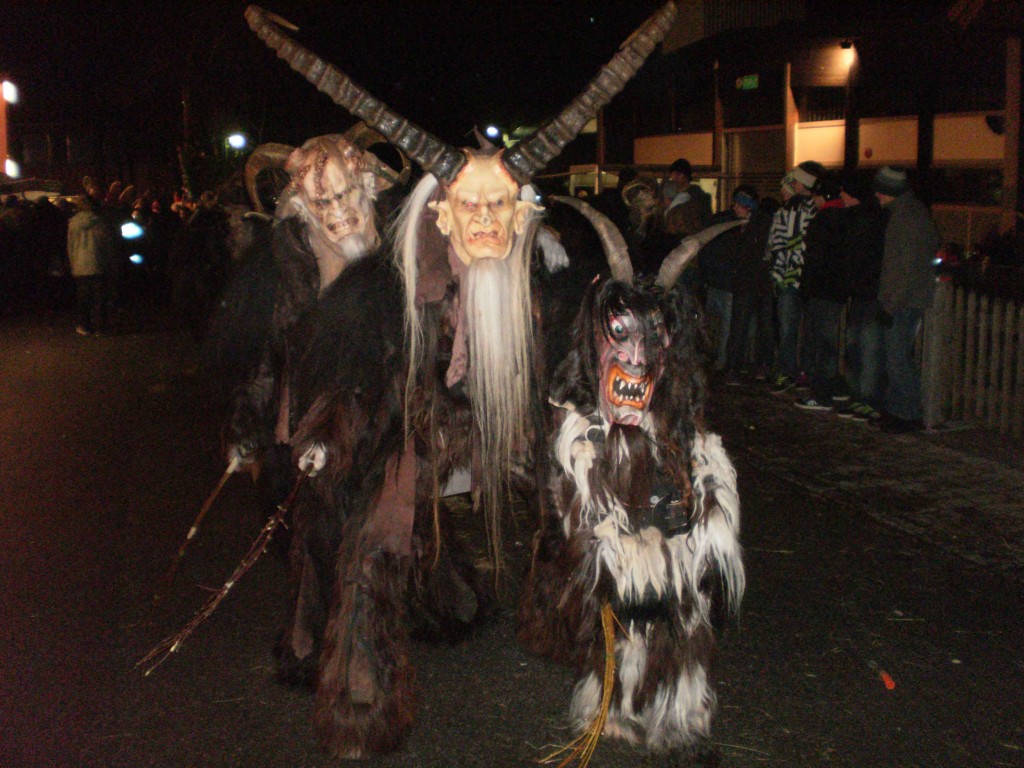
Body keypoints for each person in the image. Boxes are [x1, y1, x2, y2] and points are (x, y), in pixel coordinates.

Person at [874, 165, 941, 432]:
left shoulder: (906, 216)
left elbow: (906, 266)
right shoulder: (907, 213)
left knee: (897, 357)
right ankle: (897, 410)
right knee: (896, 356)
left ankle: (908, 413)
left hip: (904, 301)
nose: (876, 195)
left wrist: (890, 303)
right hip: (904, 298)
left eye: (880, 190)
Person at [793, 174, 849, 411]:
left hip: (820, 291)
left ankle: (821, 394)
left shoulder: (823, 220)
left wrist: (806, 289)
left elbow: (813, 260)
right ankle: (831, 389)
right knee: (828, 343)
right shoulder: (845, 218)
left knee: (820, 344)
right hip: (835, 291)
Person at [767, 160, 824, 394]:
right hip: (790, 278)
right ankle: (788, 370)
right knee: (788, 327)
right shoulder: (785, 211)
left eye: (795, 180)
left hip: (805, 278)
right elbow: (775, 243)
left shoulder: (814, 209)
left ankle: (803, 372)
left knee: (805, 329)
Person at [837, 172, 886, 423]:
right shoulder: (855, 218)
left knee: (868, 348)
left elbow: (864, 259)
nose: (841, 196)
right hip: (857, 293)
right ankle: (857, 395)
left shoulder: (870, 219)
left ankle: (868, 399)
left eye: (845, 191)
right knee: (855, 346)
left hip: (870, 294)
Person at [723, 186, 776, 385]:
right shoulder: (735, 224)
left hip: (760, 283)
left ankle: (762, 364)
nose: (734, 207)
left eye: (737, 204)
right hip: (745, 283)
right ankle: (734, 367)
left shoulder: (763, 223)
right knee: (740, 326)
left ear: (747, 206)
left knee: (763, 326)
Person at [66, 195, 114, 335]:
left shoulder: (73, 224)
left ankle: (85, 325)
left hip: (80, 264)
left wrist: (72, 263)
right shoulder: (99, 222)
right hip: (97, 262)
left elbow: (71, 246)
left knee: (83, 297)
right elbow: (107, 244)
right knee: (99, 297)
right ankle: (100, 327)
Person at [662, 157, 712, 236]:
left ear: (686, 176)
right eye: (673, 174)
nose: (675, 177)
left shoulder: (696, 196)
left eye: (679, 174)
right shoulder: (670, 194)